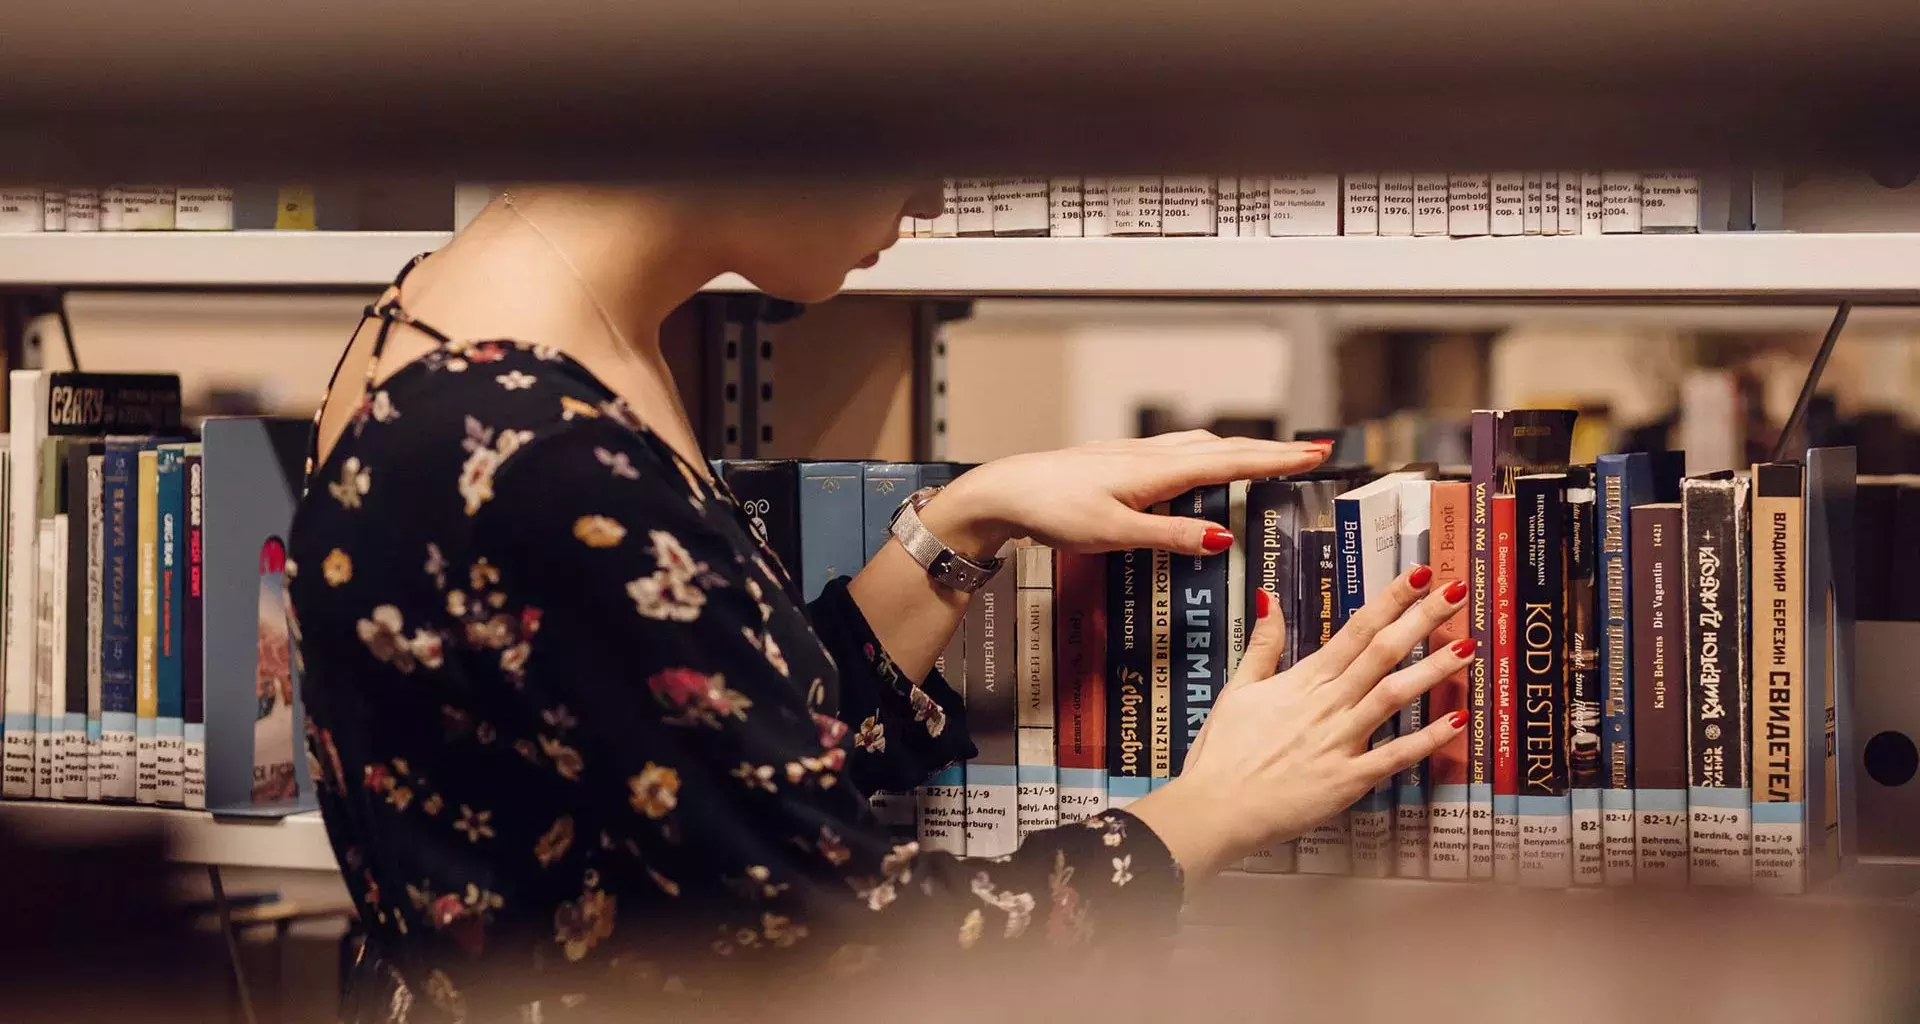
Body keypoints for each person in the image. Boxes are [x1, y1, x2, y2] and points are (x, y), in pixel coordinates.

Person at [289, 183, 1473, 1023]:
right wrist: (1207, 812)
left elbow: (685, 777)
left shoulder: (461, 313)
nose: (937, 191)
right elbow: (844, 950)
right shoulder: (539, 450)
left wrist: (964, 521)